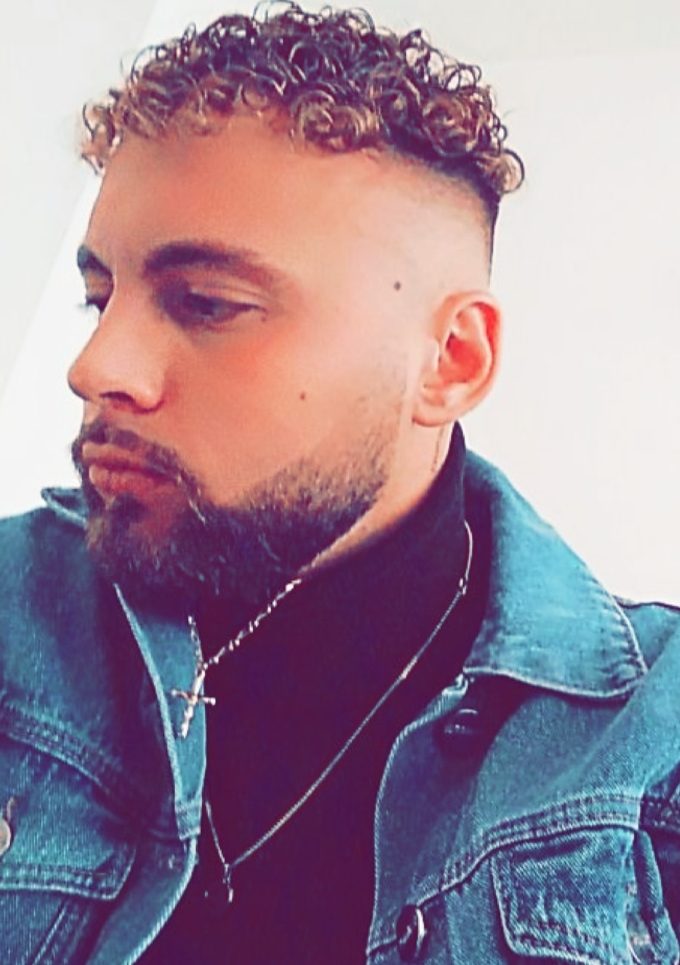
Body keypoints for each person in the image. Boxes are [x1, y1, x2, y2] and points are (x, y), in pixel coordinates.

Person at [0, 3, 678, 962]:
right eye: (99, 297)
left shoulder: (648, 744)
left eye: (206, 303)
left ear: (450, 360)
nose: (96, 366)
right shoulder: (16, 612)